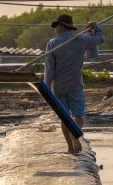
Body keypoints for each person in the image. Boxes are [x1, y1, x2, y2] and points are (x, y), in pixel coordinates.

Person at [44, 14, 104, 154]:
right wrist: (96, 27)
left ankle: (70, 148)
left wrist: (46, 88)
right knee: (79, 116)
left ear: (61, 26)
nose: (55, 29)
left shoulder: (52, 43)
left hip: (58, 87)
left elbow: (49, 69)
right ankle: (75, 135)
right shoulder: (81, 40)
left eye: (56, 26)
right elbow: (100, 39)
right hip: (75, 85)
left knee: (65, 118)